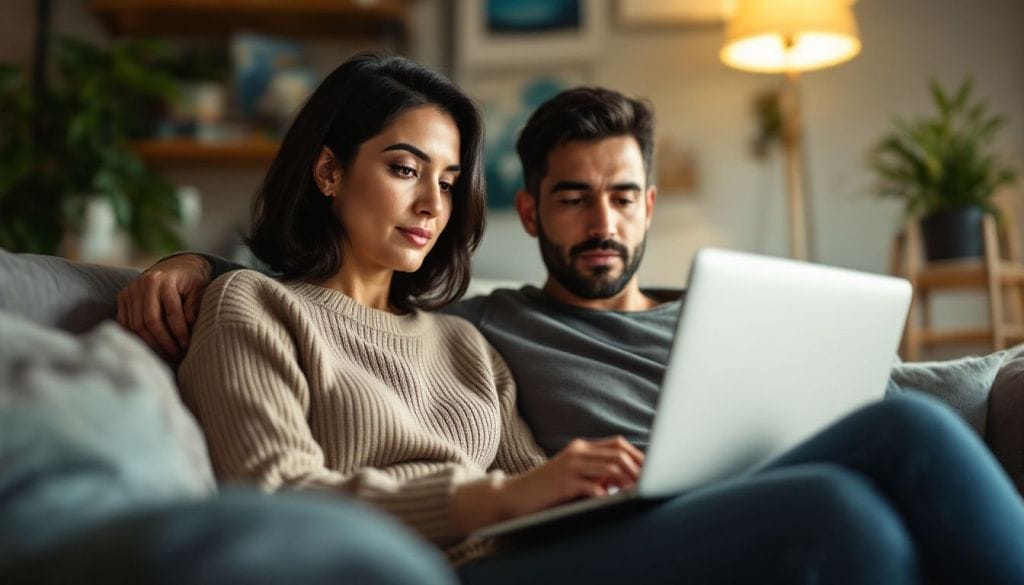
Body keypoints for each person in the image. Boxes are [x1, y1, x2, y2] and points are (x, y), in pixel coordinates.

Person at [121, 55, 1024, 583]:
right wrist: (497, 496)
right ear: (327, 171)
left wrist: (588, 487)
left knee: (868, 481)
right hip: (457, 571)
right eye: (405, 168)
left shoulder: (462, 339)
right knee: (843, 500)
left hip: (547, 552)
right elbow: (275, 496)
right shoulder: (253, 306)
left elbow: (536, 485)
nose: (432, 203)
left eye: (446, 181)